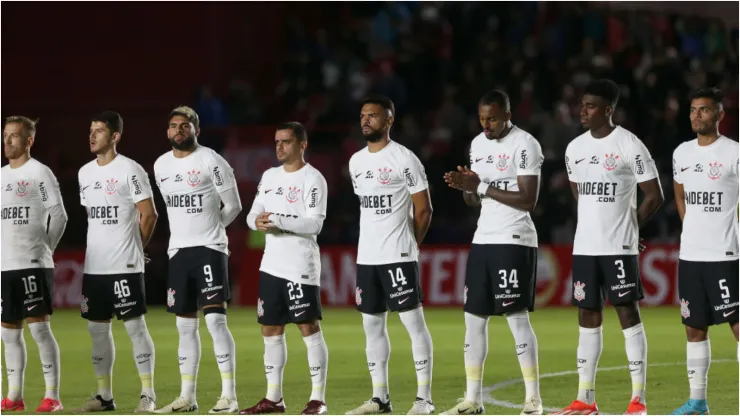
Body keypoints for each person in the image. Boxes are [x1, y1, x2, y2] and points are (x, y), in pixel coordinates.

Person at [552, 79, 664, 415]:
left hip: (618, 246)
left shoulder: (629, 144)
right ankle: (585, 398)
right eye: (582, 104)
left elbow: (654, 194)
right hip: (585, 246)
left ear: (609, 110)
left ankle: (638, 400)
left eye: (590, 106)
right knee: (587, 314)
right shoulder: (574, 149)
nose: (582, 110)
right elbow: (579, 193)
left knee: (627, 312)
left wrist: (631, 226)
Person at [441, 90, 544, 415]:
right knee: (473, 319)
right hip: (483, 238)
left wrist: (481, 187)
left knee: (516, 317)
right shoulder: (477, 144)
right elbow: (476, 200)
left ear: (508, 114)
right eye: (483, 119)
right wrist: (467, 188)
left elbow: (528, 199)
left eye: (493, 119)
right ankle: (473, 399)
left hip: (514, 238)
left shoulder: (525, 144)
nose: (487, 125)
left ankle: (532, 399)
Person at [345, 95, 435, 416]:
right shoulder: (356, 162)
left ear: (389, 121)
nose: (366, 120)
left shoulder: (404, 159)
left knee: (413, 324)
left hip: (397, 255)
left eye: (373, 115)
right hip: (367, 257)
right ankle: (380, 397)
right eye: (363, 115)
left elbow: (423, 210)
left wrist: (411, 246)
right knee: (372, 327)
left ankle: (424, 398)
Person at [153, 106, 242, 414]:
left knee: (215, 321)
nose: (179, 129)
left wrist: (212, 229)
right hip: (178, 252)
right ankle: (187, 396)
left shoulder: (211, 160)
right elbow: (170, 205)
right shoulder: (161, 165)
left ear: (196, 130)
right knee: (184, 327)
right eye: (174, 125)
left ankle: (229, 395)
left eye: (185, 125)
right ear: (167, 132)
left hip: (209, 249)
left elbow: (233, 205)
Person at [241, 122, 330, 415]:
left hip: (300, 265)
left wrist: (277, 220)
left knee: (308, 327)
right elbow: (253, 213)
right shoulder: (268, 176)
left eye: (286, 142)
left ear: (302, 145)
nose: (279, 147)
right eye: (277, 141)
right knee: (270, 329)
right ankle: (274, 398)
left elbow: (314, 223)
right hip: (271, 265)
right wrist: (256, 221)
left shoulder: (313, 179)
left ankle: (318, 399)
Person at [75, 111, 159, 413]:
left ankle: (148, 394)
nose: (92, 135)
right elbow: (92, 216)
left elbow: (149, 214)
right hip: (94, 266)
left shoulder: (130, 170)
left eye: (99, 130)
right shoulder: (85, 172)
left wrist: (136, 246)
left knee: (135, 328)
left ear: (115, 137)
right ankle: (104, 396)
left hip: (124, 264)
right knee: (97, 331)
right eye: (91, 129)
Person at [670, 87, 739, 415]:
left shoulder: (734, 153)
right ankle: (698, 401)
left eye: (705, 110)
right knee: (693, 326)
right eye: (694, 110)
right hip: (691, 255)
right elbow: (680, 196)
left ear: (720, 116)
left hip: (725, 254)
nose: (697, 115)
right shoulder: (681, 153)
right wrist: (691, 227)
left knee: (738, 324)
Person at [1, 116, 67, 412]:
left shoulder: (40, 173)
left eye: (15, 136)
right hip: (5, 265)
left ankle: (52, 396)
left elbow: (59, 215)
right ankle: (14, 396)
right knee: (8, 333)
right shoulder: (1, 176)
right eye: (5, 135)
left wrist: (46, 248)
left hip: (32, 263)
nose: (8, 141)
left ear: (29, 140)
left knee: (39, 329)